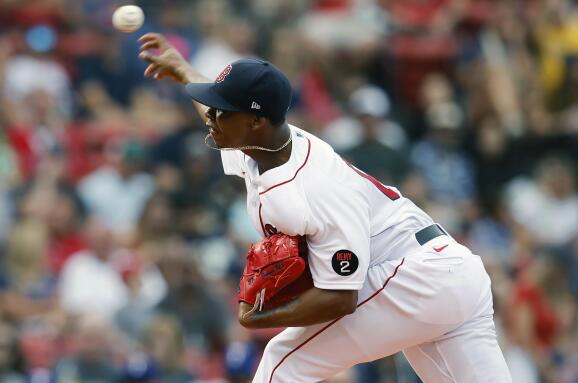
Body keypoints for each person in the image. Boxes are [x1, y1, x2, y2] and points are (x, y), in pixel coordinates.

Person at [138, 33, 512, 383]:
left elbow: (341, 297)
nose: (212, 118)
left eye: (223, 111)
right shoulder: (262, 143)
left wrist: (263, 317)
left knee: (281, 363)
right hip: (448, 276)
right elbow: (220, 114)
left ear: (255, 121)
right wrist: (184, 72)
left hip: (413, 276)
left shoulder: (314, 188)